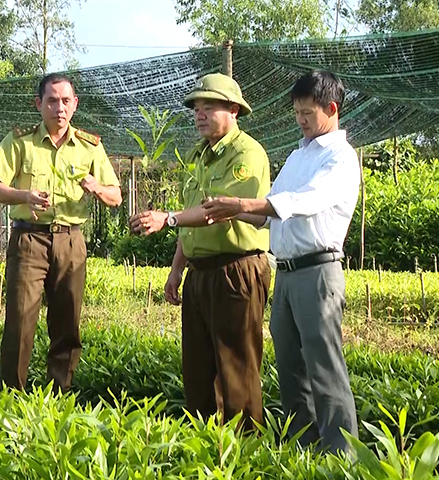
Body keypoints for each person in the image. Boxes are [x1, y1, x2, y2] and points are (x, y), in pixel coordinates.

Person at [202, 70, 360, 453]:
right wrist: (231, 210)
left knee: (324, 366)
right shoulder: (296, 155)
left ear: (331, 109)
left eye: (307, 113)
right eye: (297, 113)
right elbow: (269, 211)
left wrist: (241, 203)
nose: (301, 120)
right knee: (290, 367)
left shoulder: (340, 158)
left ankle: (342, 454)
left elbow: (302, 202)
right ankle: (303, 447)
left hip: (318, 271)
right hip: (287, 273)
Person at [129, 73, 271, 430]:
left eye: (209, 107)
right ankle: (207, 446)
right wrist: (177, 269)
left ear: (234, 110)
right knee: (198, 367)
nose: (199, 114)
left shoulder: (247, 154)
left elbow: (215, 212)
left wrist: (168, 218)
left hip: (236, 269)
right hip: (200, 271)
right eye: (196, 108)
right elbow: (190, 216)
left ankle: (246, 447)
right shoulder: (196, 155)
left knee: (236, 366)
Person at [0, 73, 122, 393]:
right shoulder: (20, 141)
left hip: (70, 240)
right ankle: (12, 392)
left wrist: (96, 187)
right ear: (39, 104)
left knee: (67, 321)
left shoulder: (90, 147)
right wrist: (25, 196)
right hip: (29, 239)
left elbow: (116, 196)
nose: (58, 107)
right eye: (51, 100)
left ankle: (59, 391)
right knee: (20, 321)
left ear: (75, 104)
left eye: (65, 101)